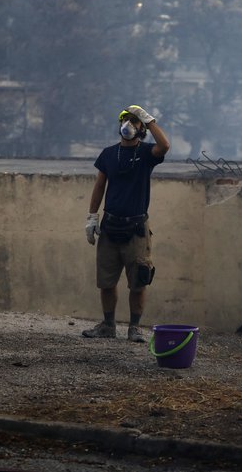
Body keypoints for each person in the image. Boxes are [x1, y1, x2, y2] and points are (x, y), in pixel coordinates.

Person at [82, 105, 170, 342]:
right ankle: (108, 325)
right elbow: (100, 185)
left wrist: (148, 119)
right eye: (126, 121)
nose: (129, 125)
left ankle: (134, 328)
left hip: (136, 229)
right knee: (106, 281)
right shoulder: (109, 154)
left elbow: (165, 146)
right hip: (110, 226)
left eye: (134, 122)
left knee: (139, 281)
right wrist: (92, 216)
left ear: (141, 128)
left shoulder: (147, 153)